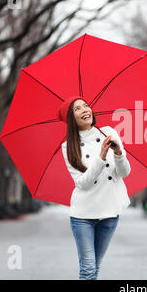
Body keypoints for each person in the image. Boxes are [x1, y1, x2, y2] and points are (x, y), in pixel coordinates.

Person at [57, 96, 131, 280]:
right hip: (83, 215)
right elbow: (83, 183)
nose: (85, 110)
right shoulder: (68, 147)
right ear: (71, 119)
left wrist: (119, 153)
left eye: (86, 106)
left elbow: (124, 173)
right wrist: (102, 156)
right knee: (88, 269)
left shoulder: (109, 133)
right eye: (77, 109)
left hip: (109, 212)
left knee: (95, 268)